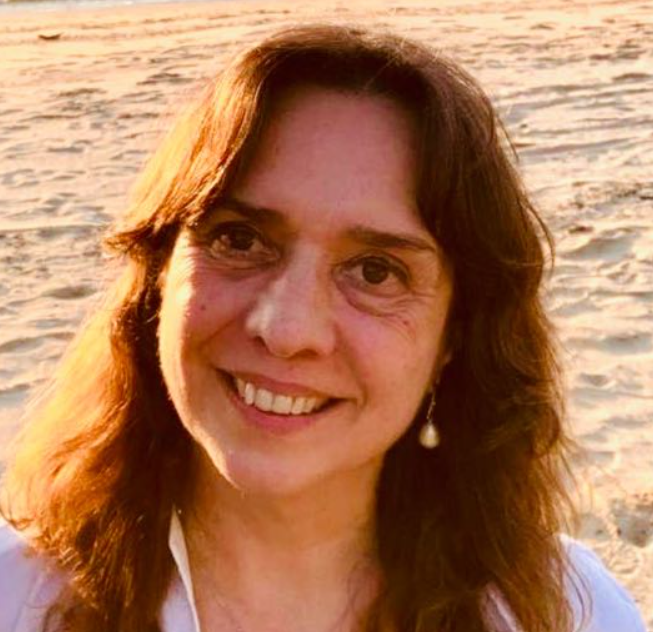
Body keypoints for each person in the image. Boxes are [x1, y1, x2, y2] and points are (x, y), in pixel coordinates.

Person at [0, 24, 646, 632]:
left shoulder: (566, 613)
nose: (286, 330)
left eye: (375, 271)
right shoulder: (16, 598)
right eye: (239, 239)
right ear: (158, 278)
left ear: (455, 336)